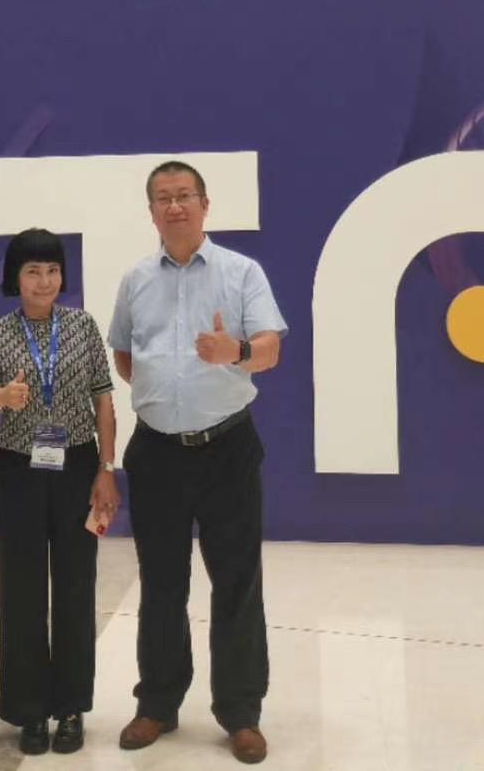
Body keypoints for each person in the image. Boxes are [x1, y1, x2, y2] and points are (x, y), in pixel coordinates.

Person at [108, 161, 286, 766]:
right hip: (157, 452)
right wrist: (165, 396)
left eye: (185, 195)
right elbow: (125, 355)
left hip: (227, 449)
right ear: (151, 211)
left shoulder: (242, 272)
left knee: (236, 583)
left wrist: (234, 351)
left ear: (205, 205)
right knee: (161, 583)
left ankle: (240, 712)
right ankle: (158, 702)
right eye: (163, 198)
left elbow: (270, 350)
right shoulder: (136, 279)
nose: (175, 206)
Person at [0, 228, 120, 755]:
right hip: (19, 469)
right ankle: (30, 710)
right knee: (22, 588)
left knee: (77, 585)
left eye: (53, 270)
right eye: (33, 271)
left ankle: (72, 706)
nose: (45, 281)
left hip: (77, 466)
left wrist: (106, 468)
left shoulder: (82, 326)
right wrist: (3, 396)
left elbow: (104, 400)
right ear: (15, 278)